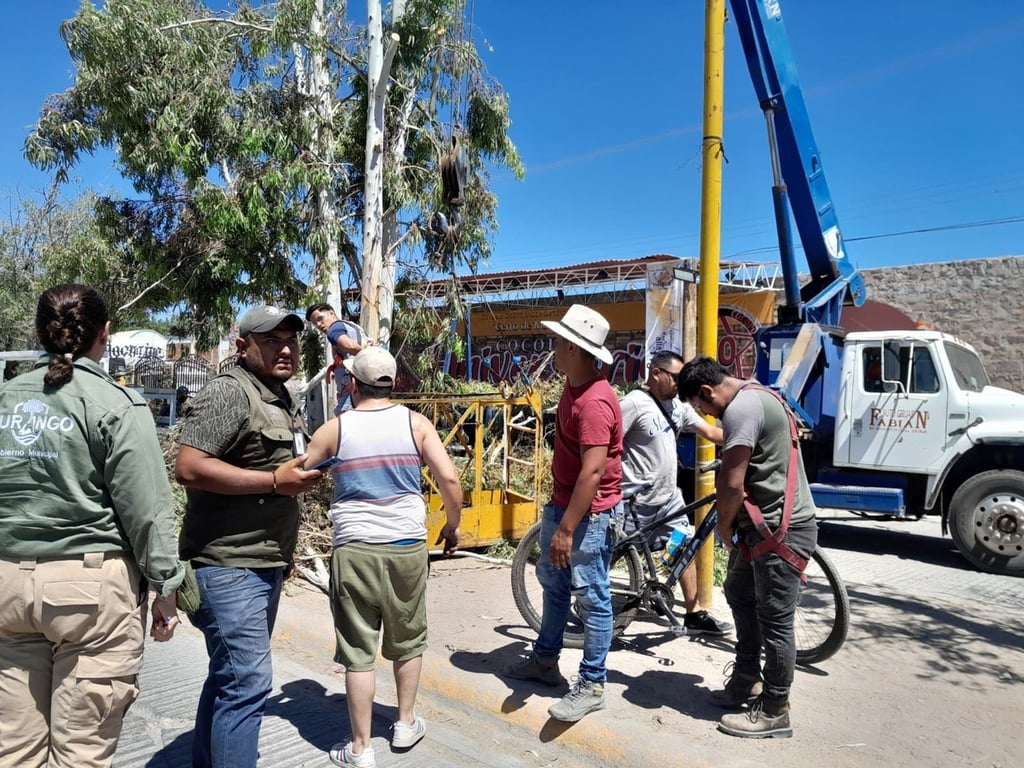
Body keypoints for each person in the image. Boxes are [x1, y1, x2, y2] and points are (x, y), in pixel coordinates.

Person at [0, 284, 183, 768]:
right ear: (105, 333)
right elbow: (147, 511)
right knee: (81, 751)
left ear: (39, 332)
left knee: (11, 748)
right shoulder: (116, 404)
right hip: (88, 592)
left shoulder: (4, 398)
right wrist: (166, 588)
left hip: (6, 586)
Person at [175, 305, 324, 768]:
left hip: (262, 563)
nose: (286, 349)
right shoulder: (230, 392)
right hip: (228, 566)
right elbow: (189, 467)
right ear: (243, 346)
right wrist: (275, 482)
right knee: (247, 684)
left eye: (291, 340)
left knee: (230, 679)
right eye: (271, 340)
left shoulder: (279, 395)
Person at [304, 346, 463, 768]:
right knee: (407, 639)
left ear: (353, 384)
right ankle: (405, 723)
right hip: (406, 547)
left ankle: (360, 748)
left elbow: (297, 474)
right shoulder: (417, 424)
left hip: (354, 549)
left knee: (358, 651)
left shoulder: (334, 430)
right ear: (392, 384)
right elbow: (449, 479)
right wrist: (453, 525)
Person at [677, 356, 819, 739]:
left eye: (702, 407)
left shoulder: (741, 409)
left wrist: (724, 529)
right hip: (761, 529)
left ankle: (775, 710)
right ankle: (745, 678)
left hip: (779, 531)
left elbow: (732, 483)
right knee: (739, 592)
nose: (707, 414)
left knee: (775, 620)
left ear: (707, 391)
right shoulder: (756, 396)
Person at [505, 304, 623, 723]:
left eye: (558, 341)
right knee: (554, 584)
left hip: (588, 515)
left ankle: (592, 684)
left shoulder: (594, 402)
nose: (553, 347)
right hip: (564, 506)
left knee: (592, 596)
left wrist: (567, 528)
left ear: (573, 347)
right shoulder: (574, 387)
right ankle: (544, 661)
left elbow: (592, 473)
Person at [619, 350, 730, 635]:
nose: (681, 384)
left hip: (669, 501)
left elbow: (711, 432)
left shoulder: (678, 407)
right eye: (677, 378)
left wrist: (747, 436)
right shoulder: (634, 404)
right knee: (615, 552)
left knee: (682, 546)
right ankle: (588, 601)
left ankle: (693, 613)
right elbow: (606, 443)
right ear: (656, 373)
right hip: (635, 502)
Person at [306, 302, 366, 414]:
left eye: (320, 319)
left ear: (331, 313)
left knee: (342, 419)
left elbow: (349, 346)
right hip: (364, 387)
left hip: (351, 389)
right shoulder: (352, 326)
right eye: (315, 323)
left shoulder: (334, 329)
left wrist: (368, 353)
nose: (318, 324)